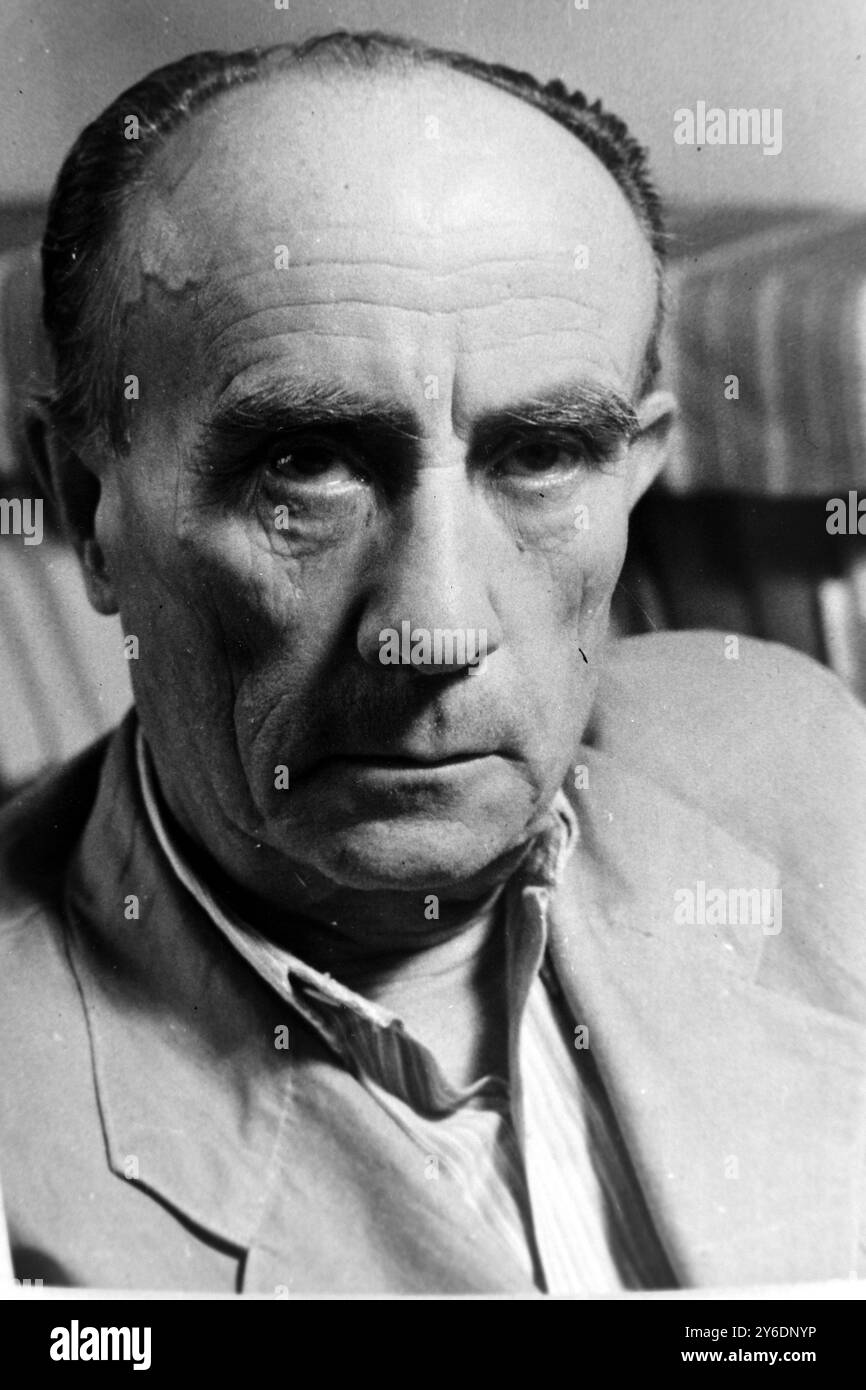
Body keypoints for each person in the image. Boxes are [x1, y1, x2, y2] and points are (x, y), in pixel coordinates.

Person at [2, 30, 865, 1296]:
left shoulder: (794, 748)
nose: (437, 628)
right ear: (90, 508)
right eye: (305, 464)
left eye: (540, 455)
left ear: (634, 477)